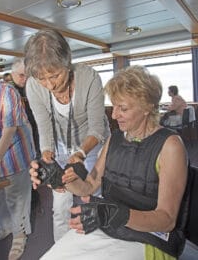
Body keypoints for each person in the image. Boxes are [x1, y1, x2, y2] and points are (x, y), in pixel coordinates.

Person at [31, 65, 188, 260]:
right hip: (110, 225)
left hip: (149, 238)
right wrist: (60, 178)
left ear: (147, 107)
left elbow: (167, 221)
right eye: (113, 106)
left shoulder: (170, 145)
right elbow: (89, 186)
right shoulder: (114, 139)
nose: (113, 115)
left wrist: (114, 214)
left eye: (123, 108)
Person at [24, 28, 110, 242]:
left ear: (67, 63)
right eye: (42, 78)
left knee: (95, 196)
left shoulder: (88, 77)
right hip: (62, 146)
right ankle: (61, 251)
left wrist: (81, 152)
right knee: (60, 203)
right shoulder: (34, 86)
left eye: (54, 75)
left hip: (93, 144)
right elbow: (43, 125)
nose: (50, 85)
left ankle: (102, 244)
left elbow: (97, 129)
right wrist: (46, 156)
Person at [0, 81, 36, 260]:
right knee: (0, 197)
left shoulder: (6, 91)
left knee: (16, 196)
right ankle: (6, 227)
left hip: (15, 152)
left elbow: (9, 130)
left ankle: (19, 235)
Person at [11, 58, 40, 158]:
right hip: (19, 137)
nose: (25, 79)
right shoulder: (7, 92)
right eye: (21, 75)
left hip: (36, 129)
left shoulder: (32, 87)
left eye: (27, 76)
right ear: (12, 74)